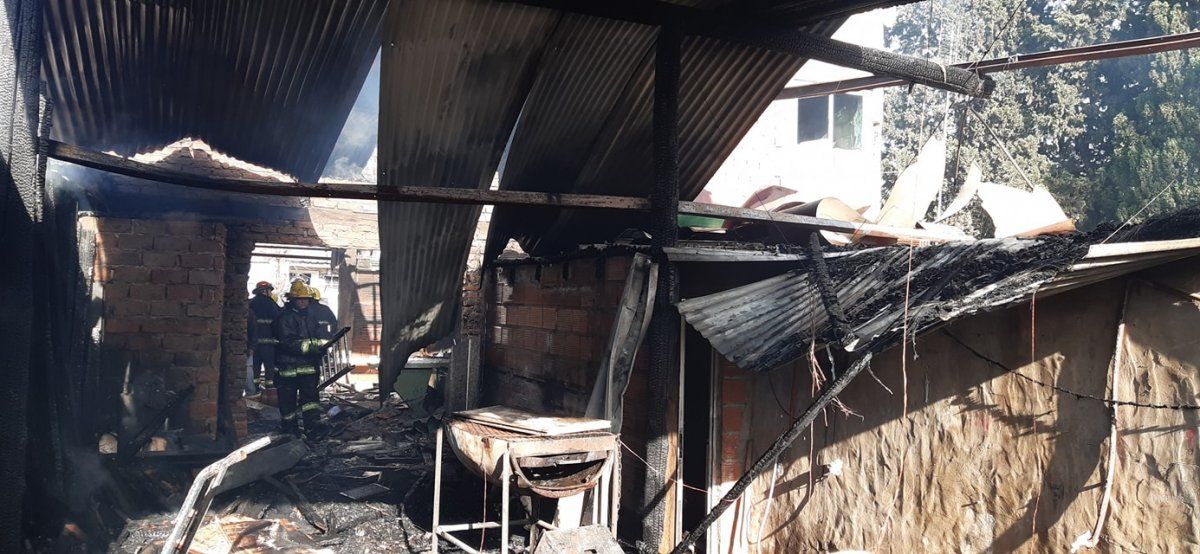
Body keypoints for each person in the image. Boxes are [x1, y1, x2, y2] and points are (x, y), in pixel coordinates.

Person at [273, 281, 331, 436]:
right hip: (288, 369)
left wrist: (321, 348)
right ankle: (290, 431)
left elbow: (316, 338)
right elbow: (287, 342)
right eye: (300, 299)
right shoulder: (284, 318)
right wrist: (310, 348)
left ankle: (312, 428)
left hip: (309, 368)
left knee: (310, 402)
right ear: (292, 300)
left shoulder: (311, 318)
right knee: (287, 402)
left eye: (306, 299)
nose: (303, 302)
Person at [246, 281, 281, 394]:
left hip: (253, 345)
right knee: (270, 368)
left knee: (254, 368)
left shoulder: (250, 303)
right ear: (265, 291)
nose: (271, 293)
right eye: (270, 291)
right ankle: (270, 392)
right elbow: (279, 323)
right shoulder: (272, 304)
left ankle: (255, 391)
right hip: (269, 344)